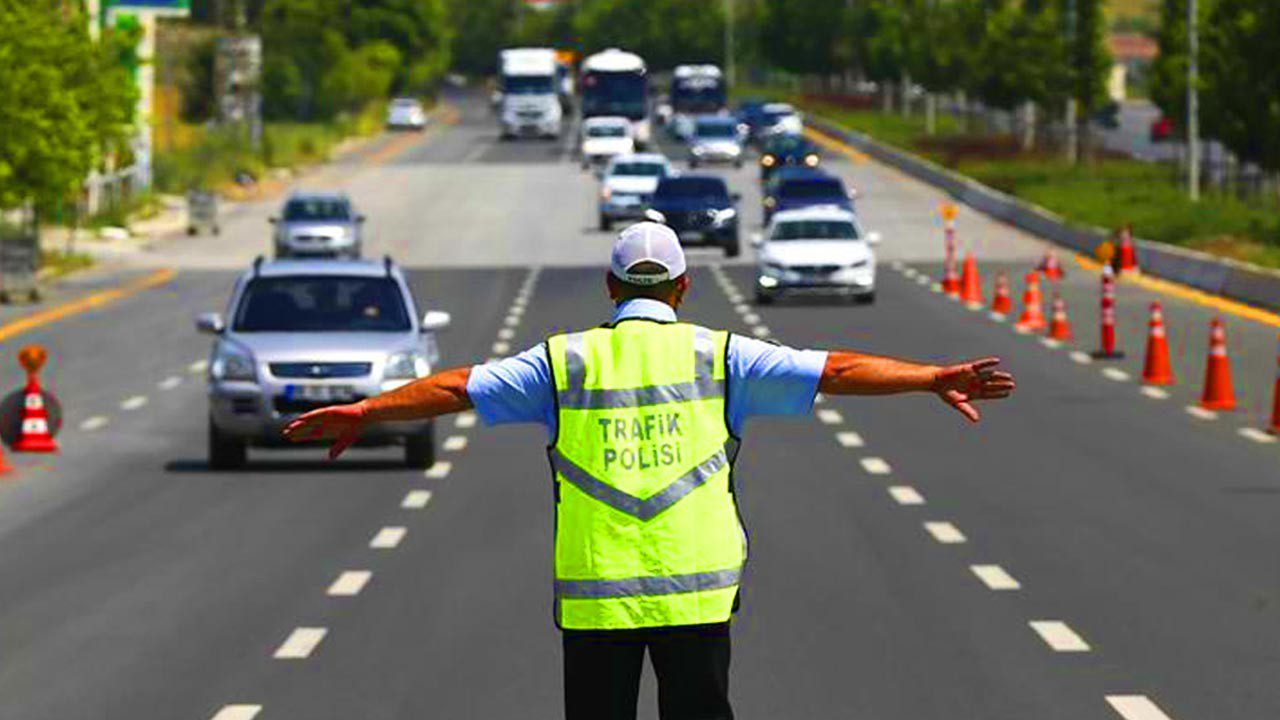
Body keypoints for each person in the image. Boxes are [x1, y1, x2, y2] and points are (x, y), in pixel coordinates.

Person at [284, 222, 1016, 720]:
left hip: (596, 602)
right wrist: (928, 376)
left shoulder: (561, 363)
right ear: (683, 287)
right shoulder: (724, 356)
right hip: (696, 595)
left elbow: (453, 388)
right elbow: (837, 368)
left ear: (609, 287)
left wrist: (366, 411)